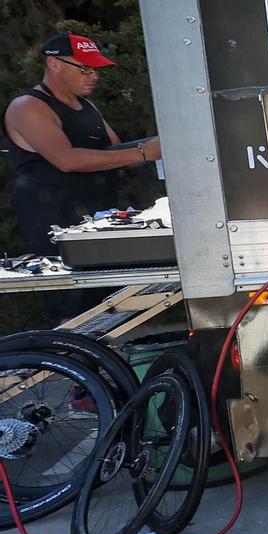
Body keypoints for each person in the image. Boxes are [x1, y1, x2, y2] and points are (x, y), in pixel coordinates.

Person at [4, 32, 160, 319]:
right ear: (54, 64)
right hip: (53, 217)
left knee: (110, 302)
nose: (94, 76)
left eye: (96, 69)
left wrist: (157, 145)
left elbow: (115, 152)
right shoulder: (28, 106)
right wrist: (142, 153)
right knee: (73, 303)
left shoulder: (87, 105)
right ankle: (71, 358)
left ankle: (107, 360)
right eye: (85, 68)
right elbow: (66, 160)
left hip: (97, 215)